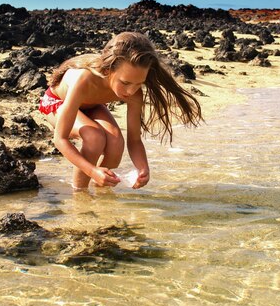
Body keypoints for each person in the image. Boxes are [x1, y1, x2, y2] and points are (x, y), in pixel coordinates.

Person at [39, 31, 203, 190]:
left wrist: (143, 168)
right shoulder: (84, 79)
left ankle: (102, 188)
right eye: (125, 83)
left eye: (139, 83)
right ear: (107, 70)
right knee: (94, 136)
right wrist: (91, 170)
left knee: (116, 143)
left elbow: (135, 140)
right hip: (56, 103)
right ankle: (79, 195)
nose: (131, 91)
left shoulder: (133, 93)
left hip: (93, 104)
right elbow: (60, 139)